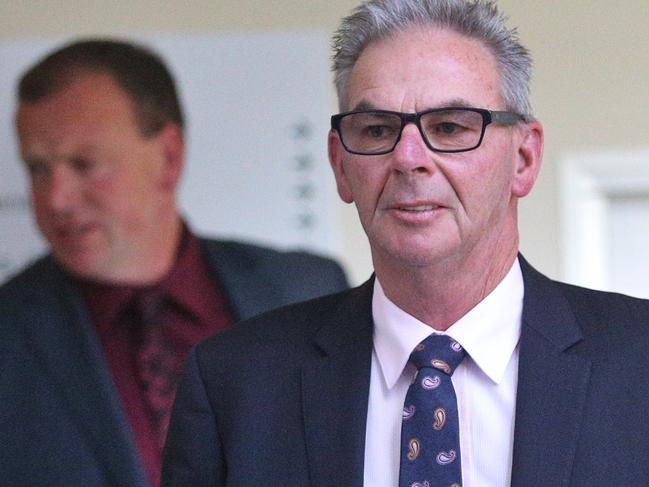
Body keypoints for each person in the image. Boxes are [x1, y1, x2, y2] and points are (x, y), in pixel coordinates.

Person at [161, 0, 649, 486]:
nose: (408, 157)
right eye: (377, 130)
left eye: (451, 126)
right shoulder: (236, 384)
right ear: (340, 166)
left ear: (523, 158)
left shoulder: (638, 362)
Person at [0, 39, 348, 487]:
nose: (55, 199)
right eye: (38, 169)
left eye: (85, 164)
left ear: (169, 156)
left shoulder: (310, 287)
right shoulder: (9, 332)